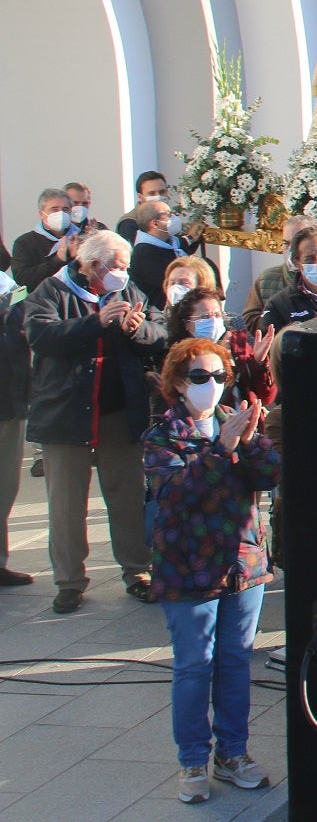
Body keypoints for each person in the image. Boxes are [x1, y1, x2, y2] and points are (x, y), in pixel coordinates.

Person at [143, 337, 277, 803]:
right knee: (195, 665)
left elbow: (271, 475)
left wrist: (252, 442)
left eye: (220, 377)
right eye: (200, 377)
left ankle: (233, 753)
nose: (212, 385)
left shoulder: (233, 423)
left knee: (236, 660)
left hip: (242, 562)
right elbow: (176, 494)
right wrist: (220, 449)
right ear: (178, 383)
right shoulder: (163, 435)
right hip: (188, 568)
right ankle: (193, 761)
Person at [22, 230, 162, 613]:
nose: (122, 273)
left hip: (118, 412)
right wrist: (95, 322)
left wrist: (139, 330)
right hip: (66, 415)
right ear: (92, 264)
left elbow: (159, 330)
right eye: (116, 267)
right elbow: (40, 335)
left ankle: (138, 570)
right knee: (67, 504)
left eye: (125, 267)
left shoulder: (129, 292)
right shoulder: (51, 292)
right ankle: (69, 580)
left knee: (128, 496)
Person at [166, 289, 276, 407]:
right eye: (205, 316)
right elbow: (205, 401)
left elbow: (266, 398)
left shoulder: (237, 343)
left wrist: (258, 363)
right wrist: (222, 361)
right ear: (186, 323)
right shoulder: (181, 356)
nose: (213, 321)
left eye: (217, 315)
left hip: (246, 418)